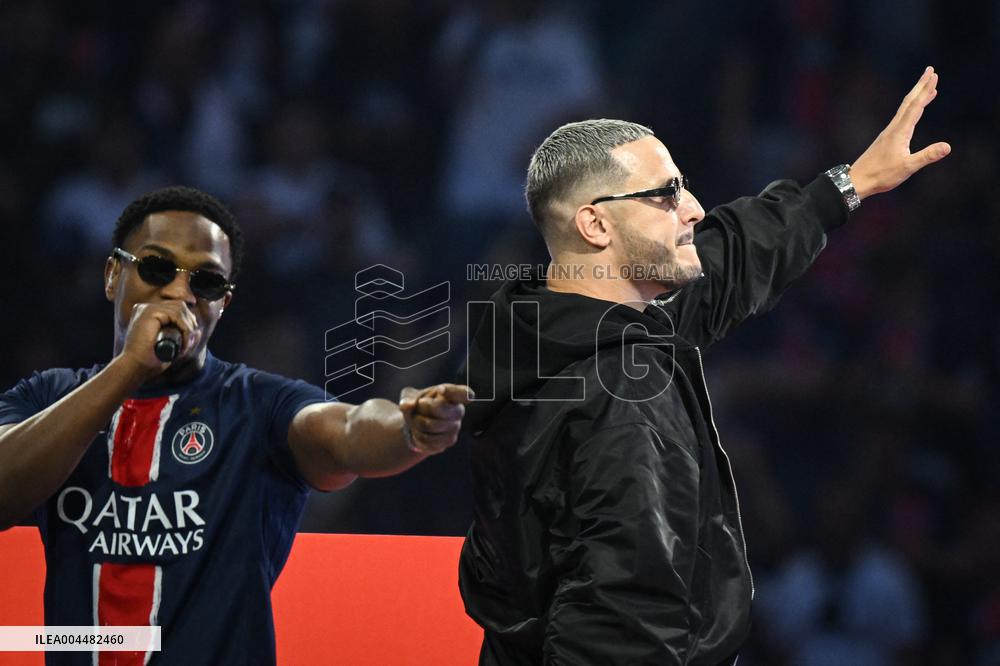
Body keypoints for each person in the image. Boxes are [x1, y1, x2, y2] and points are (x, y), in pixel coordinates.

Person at [459, 67, 950, 664]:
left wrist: (850, 185)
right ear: (595, 224)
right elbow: (621, 624)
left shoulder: (546, 328)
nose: (692, 208)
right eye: (665, 194)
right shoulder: (622, 395)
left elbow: (722, 262)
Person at [0, 185, 472, 665]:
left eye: (205, 282)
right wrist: (128, 370)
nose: (179, 292)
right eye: (157, 268)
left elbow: (349, 432)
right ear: (112, 274)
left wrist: (408, 429)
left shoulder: (259, 405)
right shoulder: (49, 398)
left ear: (223, 302)